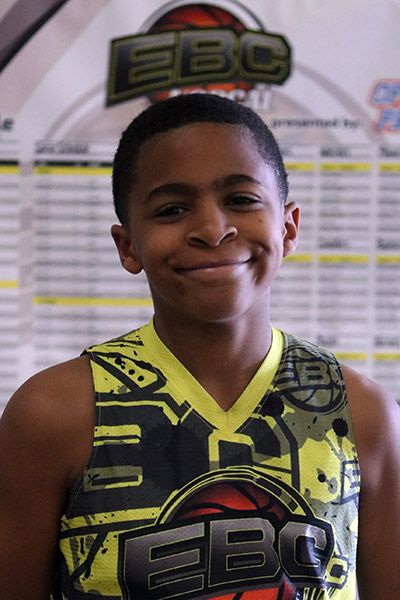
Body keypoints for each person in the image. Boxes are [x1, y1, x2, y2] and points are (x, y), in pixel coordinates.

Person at [0, 94, 399, 600]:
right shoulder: (52, 414)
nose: (213, 230)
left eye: (241, 200)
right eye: (172, 209)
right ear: (128, 246)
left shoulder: (364, 413)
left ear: (288, 227)